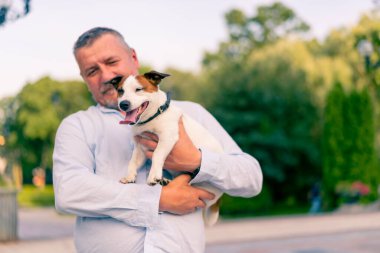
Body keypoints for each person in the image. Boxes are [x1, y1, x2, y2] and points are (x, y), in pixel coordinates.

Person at [53, 27, 263, 253]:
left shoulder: (191, 113)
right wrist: (158, 199)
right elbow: (70, 192)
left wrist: (195, 161)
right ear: (84, 78)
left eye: (111, 62)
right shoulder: (77, 126)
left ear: (133, 58)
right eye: (92, 71)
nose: (106, 76)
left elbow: (251, 178)